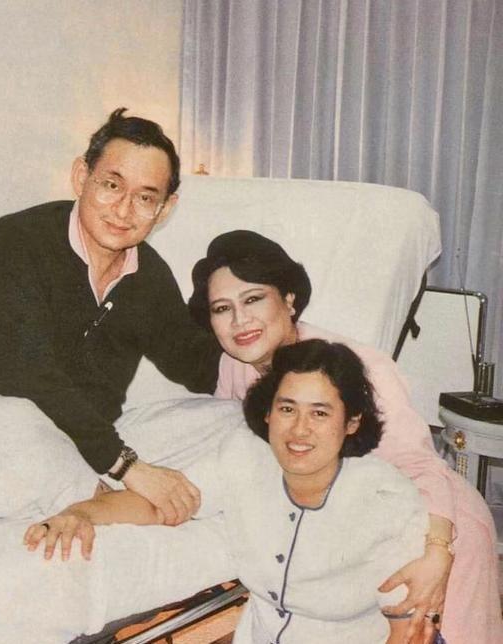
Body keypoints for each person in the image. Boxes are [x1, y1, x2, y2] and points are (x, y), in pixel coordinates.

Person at [185, 229, 502, 644]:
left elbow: (420, 466)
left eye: (253, 299)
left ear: (289, 299)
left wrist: (439, 551)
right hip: (356, 523)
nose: (239, 321)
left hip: (435, 520)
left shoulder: (357, 367)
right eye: (222, 308)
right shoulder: (236, 365)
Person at [25, 340, 436, 643]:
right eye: (287, 408)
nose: (299, 430)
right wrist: (82, 513)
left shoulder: (384, 499)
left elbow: (408, 631)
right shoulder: (243, 458)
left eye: (320, 413)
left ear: (351, 422)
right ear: (268, 412)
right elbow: (161, 504)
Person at [0, 108, 221, 525]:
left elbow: (192, 360)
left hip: (82, 443)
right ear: (81, 177)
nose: (123, 210)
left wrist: (268, 360)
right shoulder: (17, 241)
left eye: (145, 198)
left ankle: (90, 499)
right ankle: (97, 502)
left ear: (165, 208)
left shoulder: (150, 276)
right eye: (111, 185)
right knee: (13, 417)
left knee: (225, 420)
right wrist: (127, 466)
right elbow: (27, 376)